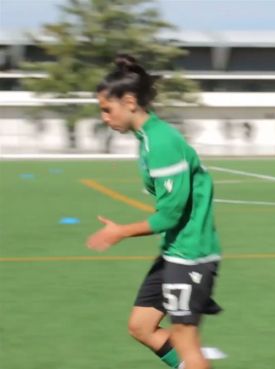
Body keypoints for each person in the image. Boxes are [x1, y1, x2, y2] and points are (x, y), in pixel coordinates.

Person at [86, 54, 222, 369]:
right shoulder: (148, 139)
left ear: (130, 101)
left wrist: (120, 231)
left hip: (192, 254)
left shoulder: (161, 142)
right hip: (175, 250)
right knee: (141, 326)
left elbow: (169, 216)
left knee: (188, 344)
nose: (105, 117)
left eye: (107, 109)